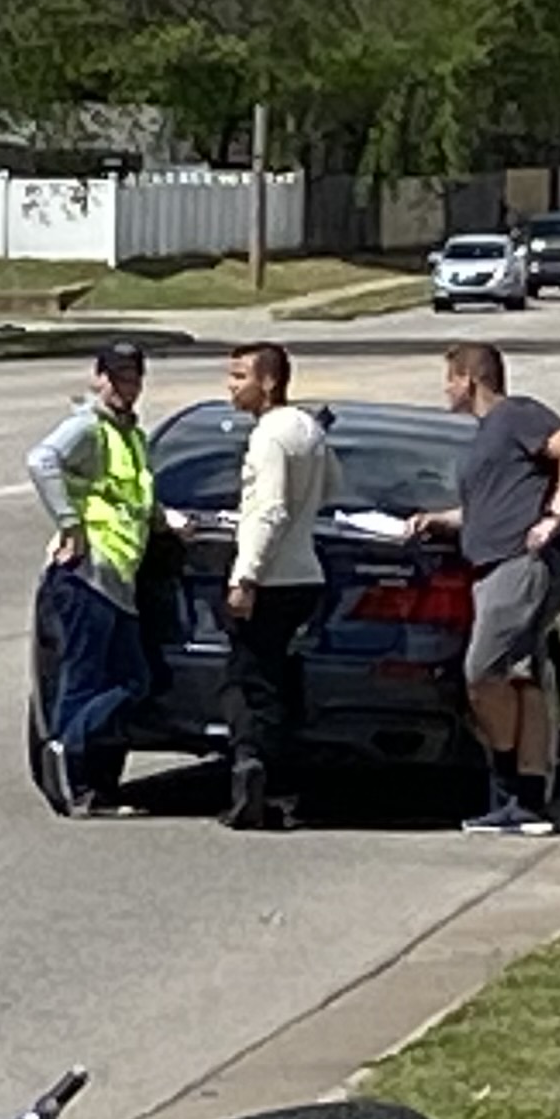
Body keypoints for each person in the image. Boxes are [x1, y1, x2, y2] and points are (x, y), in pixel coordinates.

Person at [405, 341, 560, 837]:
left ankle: (507, 778)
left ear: (469, 378)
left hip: (519, 564)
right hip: (494, 564)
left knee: (481, 672)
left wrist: (556, 514)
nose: (446, 389)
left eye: (449, 378)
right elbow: (490, 506)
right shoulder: (488, 436)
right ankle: (526, 802)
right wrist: (439, 521)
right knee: (521, 679)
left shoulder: (516, 415)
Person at [25, 343, 163, 816]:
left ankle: (83, 769)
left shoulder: (130, 435)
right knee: (84, 681)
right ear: (98, 377)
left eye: (133, 377)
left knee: (132, 680)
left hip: (117, 579)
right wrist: (70, 524)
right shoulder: (88, 426)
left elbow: (133, 499)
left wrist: (169, 521)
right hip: (86, 576)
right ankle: (67, 766)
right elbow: (41, 462)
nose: (126, 386)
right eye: (118, 376)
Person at [217, 340, 334, 831]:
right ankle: (285, 783)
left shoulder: (269, 436)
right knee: (282, 682)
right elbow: (331, 487)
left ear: (268, 381)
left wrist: (246, 576)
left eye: (240, 376)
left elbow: (269, 509)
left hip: (273, 578)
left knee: (246, 681)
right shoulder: (308, 429)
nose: (232, 385)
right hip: (306, 572)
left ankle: (252, 775)